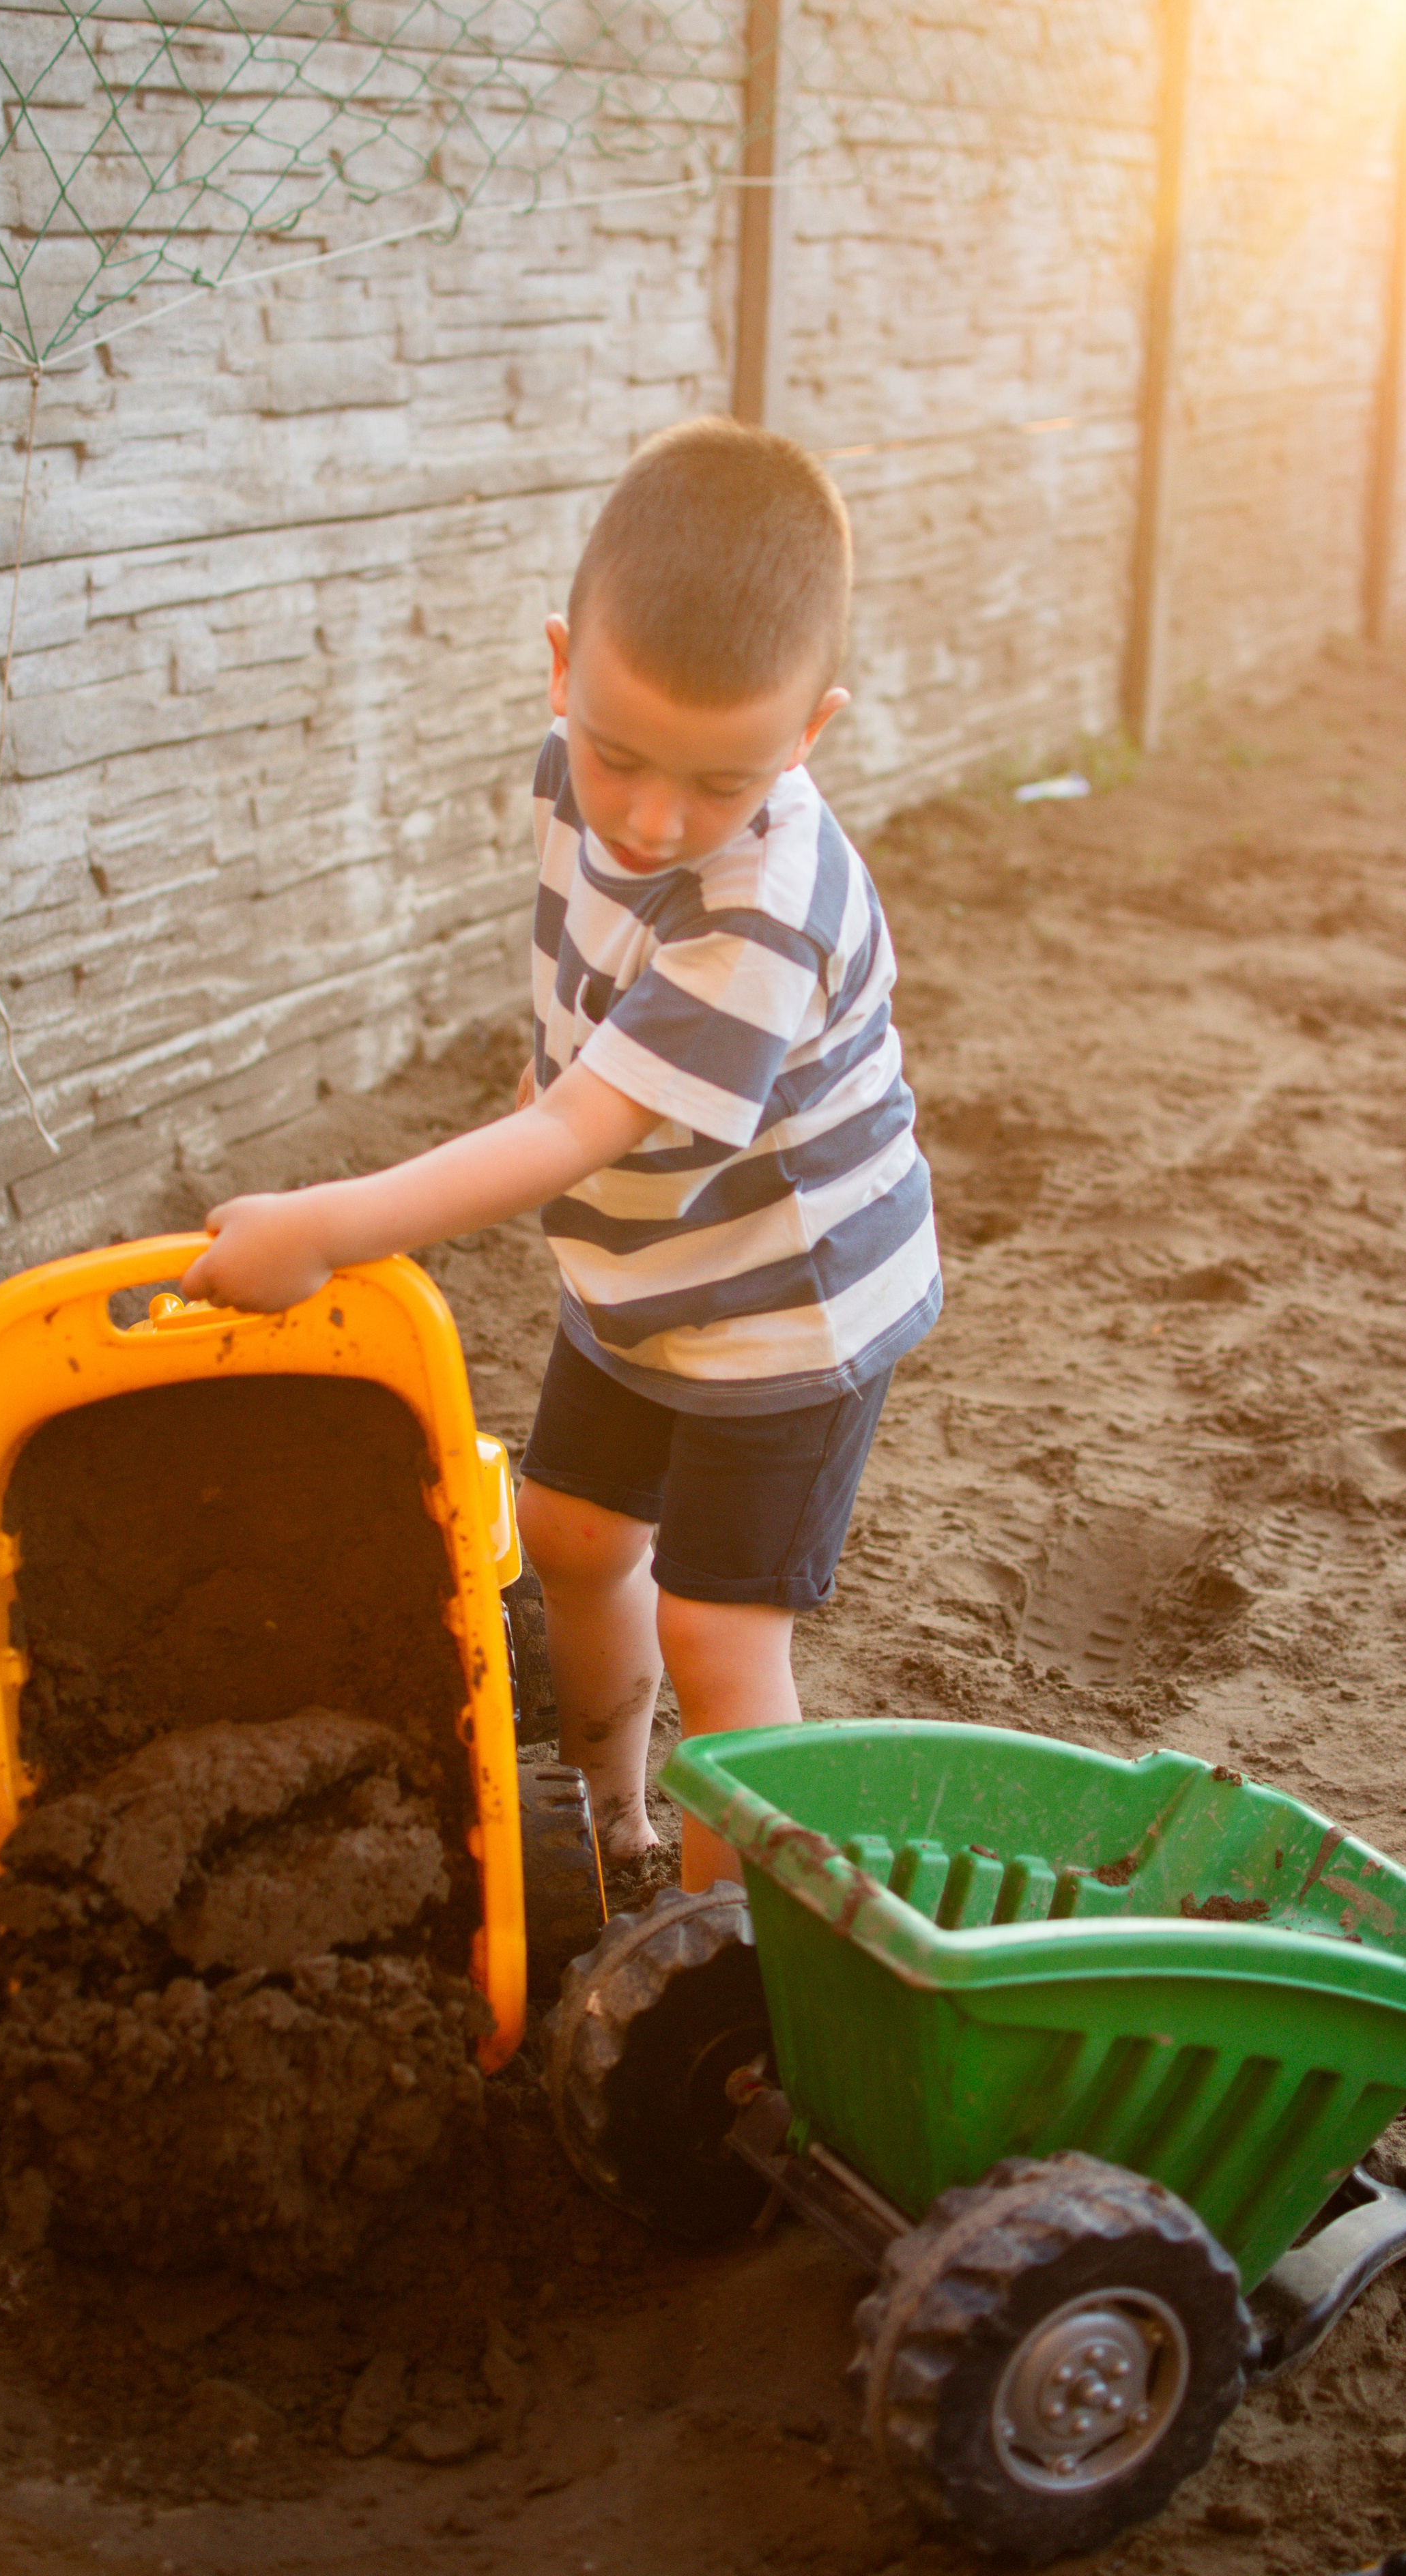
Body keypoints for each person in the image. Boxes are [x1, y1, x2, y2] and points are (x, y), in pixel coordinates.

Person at [182, 416, 941, 1887]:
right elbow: (582, 1012)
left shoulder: (762, 910)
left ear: (808, 733)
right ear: (561, 668)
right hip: (643, 1261)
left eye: (720, 783)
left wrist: (328, 1226)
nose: (653, 818)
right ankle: (612, 1831)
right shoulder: (569, 771)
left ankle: (716, 1948)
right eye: (617, 755)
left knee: (718, 1629)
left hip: (788, 1309)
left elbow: (575, 1128)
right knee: (574, 1536)